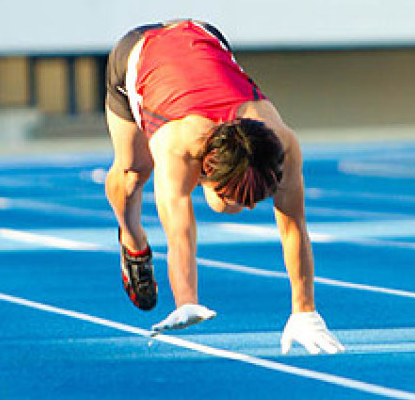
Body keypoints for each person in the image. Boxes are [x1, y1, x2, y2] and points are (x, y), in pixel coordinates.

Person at [103, 19, 344, 355]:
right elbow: (179, 231)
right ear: (206, 169)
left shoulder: (283, 142)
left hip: (202, 37)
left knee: (228, 204)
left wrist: (305, 311)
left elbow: (293, 227)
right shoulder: (177, 145)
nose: (248, 208)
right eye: (246, 198)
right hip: (137, 53)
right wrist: (186, 301)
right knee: (133, 173)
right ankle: (131, 239)